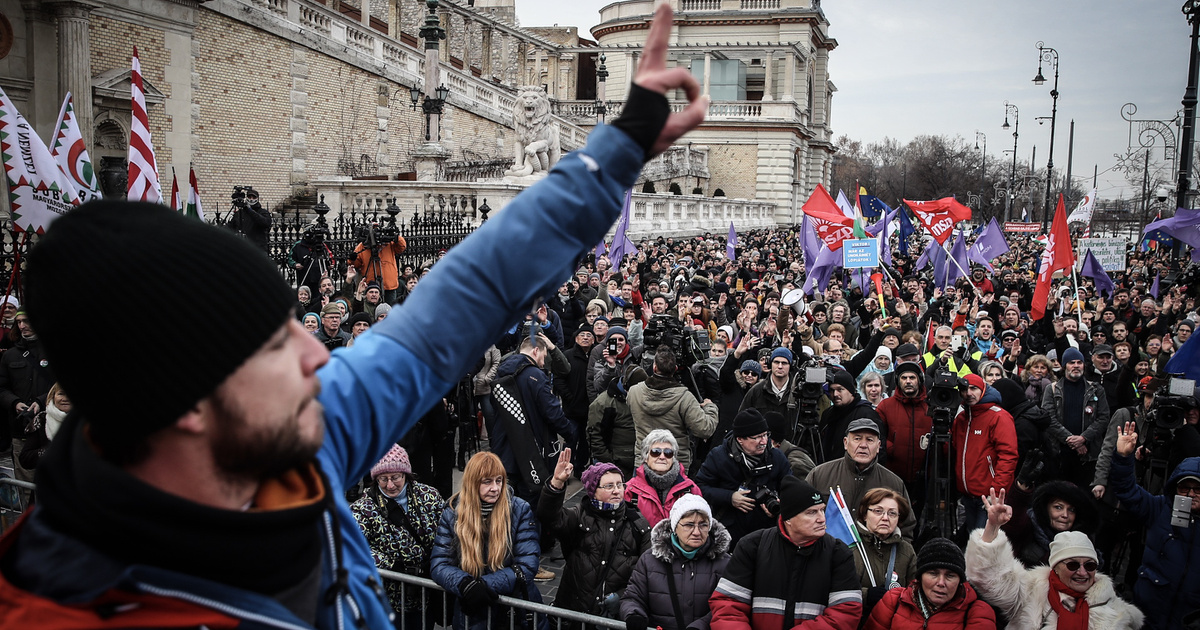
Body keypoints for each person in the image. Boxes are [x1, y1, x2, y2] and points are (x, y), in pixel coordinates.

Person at [0, 7, 710, 624]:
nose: (318, 355)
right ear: (185, 404)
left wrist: (617, 148)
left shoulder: (303, 427)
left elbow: (460, 300)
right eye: (273, 346)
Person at [965, 488, 1145, 630]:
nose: (1082, 572)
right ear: (1056, 568)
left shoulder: (1115, 612)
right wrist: (992, 527)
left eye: (1089, 565)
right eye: (1073, 564)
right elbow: (989, 576)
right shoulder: (1030, 591)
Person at [709, 476, 863, 630]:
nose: (822, 519)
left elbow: (845, 613)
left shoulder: (838, 553)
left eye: (822, 510)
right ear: (788, 518)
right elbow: (728, 606)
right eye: (811, 512)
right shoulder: (752, 546)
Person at [431, 452, 546, 630]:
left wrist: (483, 586)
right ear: (472, 483)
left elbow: (528, 564)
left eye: (499, 480)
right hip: (472, 613)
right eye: (487, 481)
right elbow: (439, 564)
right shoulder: (453, 512)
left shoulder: (519, 509)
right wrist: (464, 584)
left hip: (515, 610)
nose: (495, 488)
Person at [1109, 422, 1200, 630]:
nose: (1191, 494)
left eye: (1198, 489)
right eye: (1185, 488)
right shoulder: (1160, 509)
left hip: (1188, 618)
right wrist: (1123, 458)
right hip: (1149, 610)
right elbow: (1127, 491)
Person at [539, 451, 651, 616]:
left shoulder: (637, 524)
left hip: (612, 615)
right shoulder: (579, 515)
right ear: (593, 491)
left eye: (619, 485)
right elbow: (549, 518)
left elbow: (647, 574)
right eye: (608, 486)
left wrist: (620, 598)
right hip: (574, 611)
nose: (616, 491)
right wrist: (557, 483)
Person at [350, 445, 444, 629]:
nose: (390, 485)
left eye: (395, 477)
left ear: (406, 475)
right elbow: (353, 547)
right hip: (387, 599)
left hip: (427, 593)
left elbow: (449, 533)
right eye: (383, 479)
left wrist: (438, 561)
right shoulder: (363, 508)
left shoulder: (429, 496)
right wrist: (392, 566)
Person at [621, 495, 732, 630]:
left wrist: (700, 626)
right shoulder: (650, 560)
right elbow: (633, 597)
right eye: (689, 525)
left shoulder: (724, 562)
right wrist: (634, 615)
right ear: (675, 526)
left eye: (703, 525)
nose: (697, 532)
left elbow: (728, 605)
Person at [490, 335, 578, 506]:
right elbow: (553, 412)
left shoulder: (500, 373)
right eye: (544, 357)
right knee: (531, 503)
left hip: (504, 449)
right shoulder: (535, 375)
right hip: (532, 451)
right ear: (536, 351)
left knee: (504, 502)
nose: (544, 363)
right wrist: (570, 432)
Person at [694, 409, 792, 545]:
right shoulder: (719, 457)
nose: (764, 441)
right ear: (740, 439)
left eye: (765, 435)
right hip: (730, 534)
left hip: (766, 533)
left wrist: (779, 507)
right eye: (757, 437)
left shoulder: (777, 457)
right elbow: (699, 487)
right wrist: (729, 497)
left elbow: (790, 489)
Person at [807, 418, 918, 539]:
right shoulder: (820, 474)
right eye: (857, 438)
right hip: (826, 552)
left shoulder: (894, 483)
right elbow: (801, 515)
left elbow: (907, 528)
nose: (863, 445)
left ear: (878, 446)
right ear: (845, 443)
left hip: (874, 556)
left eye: (870, 440)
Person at [861, 537, 995, 630]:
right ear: (919, 577)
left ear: (960, 581)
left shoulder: (977, 612)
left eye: (950, 576)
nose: (941, 583)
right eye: (933, 573)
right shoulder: (893, 601)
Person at [628, 346, 719, 471]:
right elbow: (705, 429)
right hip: (674, 464)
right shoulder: (684, 397)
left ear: (654, 367)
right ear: (675, 369)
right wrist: (710, 407)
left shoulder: (634, 392)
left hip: (645, 462)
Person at [952, 374, 1019, 531]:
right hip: (967, 496)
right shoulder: (961, 418)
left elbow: (1008, 456)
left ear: (983, 389)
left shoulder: (998, 416)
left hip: (988, 498)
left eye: (973, 388)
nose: (968, 393)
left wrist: (996, 492)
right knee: (972, 541)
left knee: (984, 544)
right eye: (964, 389)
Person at [852, 489, 917, 615]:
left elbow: (915, 591)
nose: (885, 518)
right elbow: (833, 590)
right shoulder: (849, 545)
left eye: (892, 513)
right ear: (865, 514)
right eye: (878, 511)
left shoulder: (906, 550)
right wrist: (865, 595)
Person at [624, 429, 703, 527]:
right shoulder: (630, 491)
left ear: (673, 458)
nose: (662, 457)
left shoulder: (691, 490)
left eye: (668, 452)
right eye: (655, 452)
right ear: (645, 456)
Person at [589, 365, 648, 478]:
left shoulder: (642, 398)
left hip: (636, 461)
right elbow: (594, 436)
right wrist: (609, 461)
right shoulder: (603, 403)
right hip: (613, 463)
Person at [16, 382, 70, 472]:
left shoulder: (86, 422)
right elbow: (25, 459)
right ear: (52, 396)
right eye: (61, 394)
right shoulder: (41, 420)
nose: (65, 398)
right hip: (51, 480)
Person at [352, 221, 408, 304]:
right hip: (371, 285)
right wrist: (352, 258)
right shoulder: (363, 246)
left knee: (390, 308)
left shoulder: (389, 244)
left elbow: (402, 247)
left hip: (389, 284)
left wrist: (396, 237)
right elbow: (355, 263)